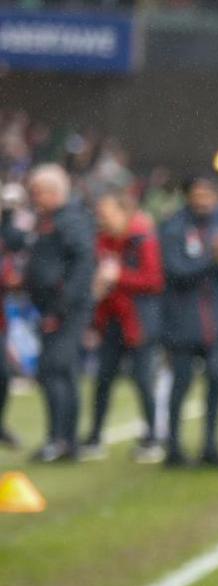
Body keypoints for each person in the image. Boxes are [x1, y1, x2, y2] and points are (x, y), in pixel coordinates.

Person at [158, 176, 218, 468]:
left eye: (208, 195)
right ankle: (173, 446)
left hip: (215, 318)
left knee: (216, 379)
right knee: (182, 381)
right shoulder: (174, 228)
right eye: (198, 194)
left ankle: (210, 445)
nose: (203, 200)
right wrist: (216, 261)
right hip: (182, 318)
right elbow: (178, 271)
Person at [2, 165, 95, 463]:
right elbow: (18, 243)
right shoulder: (45, 220)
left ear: (55, 192)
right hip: (51, 307)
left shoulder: (71, 220)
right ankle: (66, 441)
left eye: (38, 191)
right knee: (62, 372)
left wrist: (62, 304)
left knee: (53, 370)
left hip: (65, 310)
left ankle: (60, 440)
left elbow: (83, 264)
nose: (34, 197)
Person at [83, 190, 165, 463]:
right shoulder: (104, 240)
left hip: (138, 321)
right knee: (103, 378)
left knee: (142, 378)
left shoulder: (143, 239)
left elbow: (153, 280)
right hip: (111, 320)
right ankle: (94, 436)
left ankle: (153, 437)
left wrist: (119, 277)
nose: (102, 218)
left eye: (106, 212)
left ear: (124, 212)